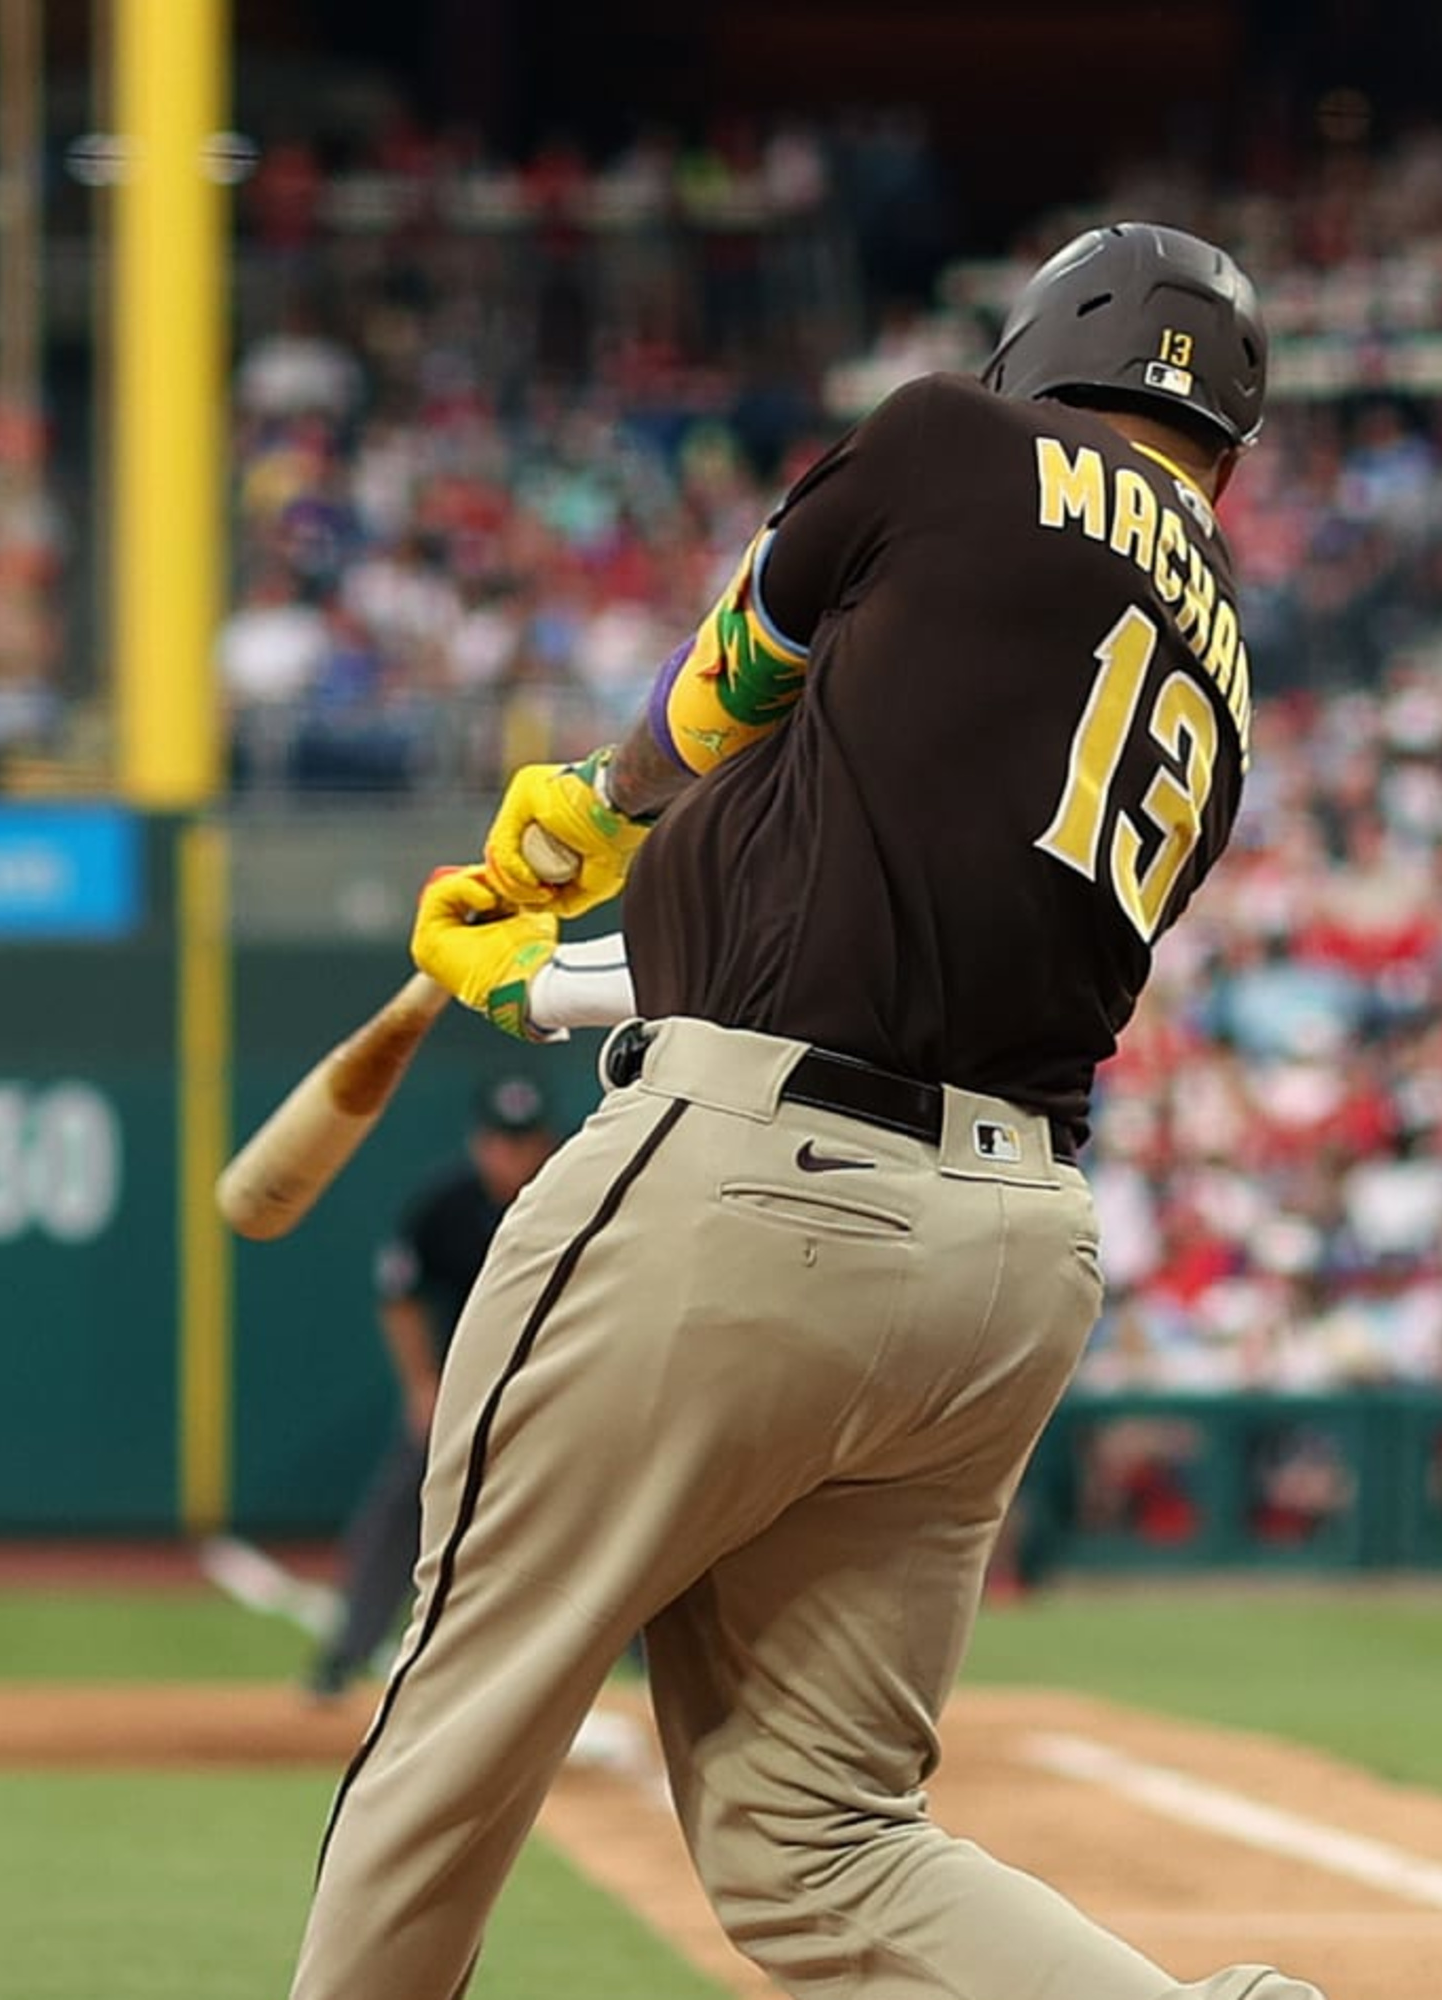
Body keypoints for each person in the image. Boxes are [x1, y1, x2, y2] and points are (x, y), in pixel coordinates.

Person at [291, 224, 1318, 2000]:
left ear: (1044, 349)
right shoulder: (1222, 664)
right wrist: (543, 978)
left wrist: (599, 811)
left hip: (752, 1192)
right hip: (1001, 1260)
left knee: (461, 1703)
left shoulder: (955, 444)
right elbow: (871, 926)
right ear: (1226, 432)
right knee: (821, 1840)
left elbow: (736, 676)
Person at [304, 1074, 563, 1702]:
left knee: (613, 1514)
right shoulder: (447, 1204)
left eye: (524, 1143)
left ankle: (647, 1662)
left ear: (546, 1144)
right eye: (502, 1143)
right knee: (401, 1504)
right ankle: (347, 1653)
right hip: (470, 1389)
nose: (513, 1156)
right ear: (480, 1144)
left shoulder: (573, 1195)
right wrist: (422, 1384)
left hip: (561, 1383)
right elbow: (399, 1294)